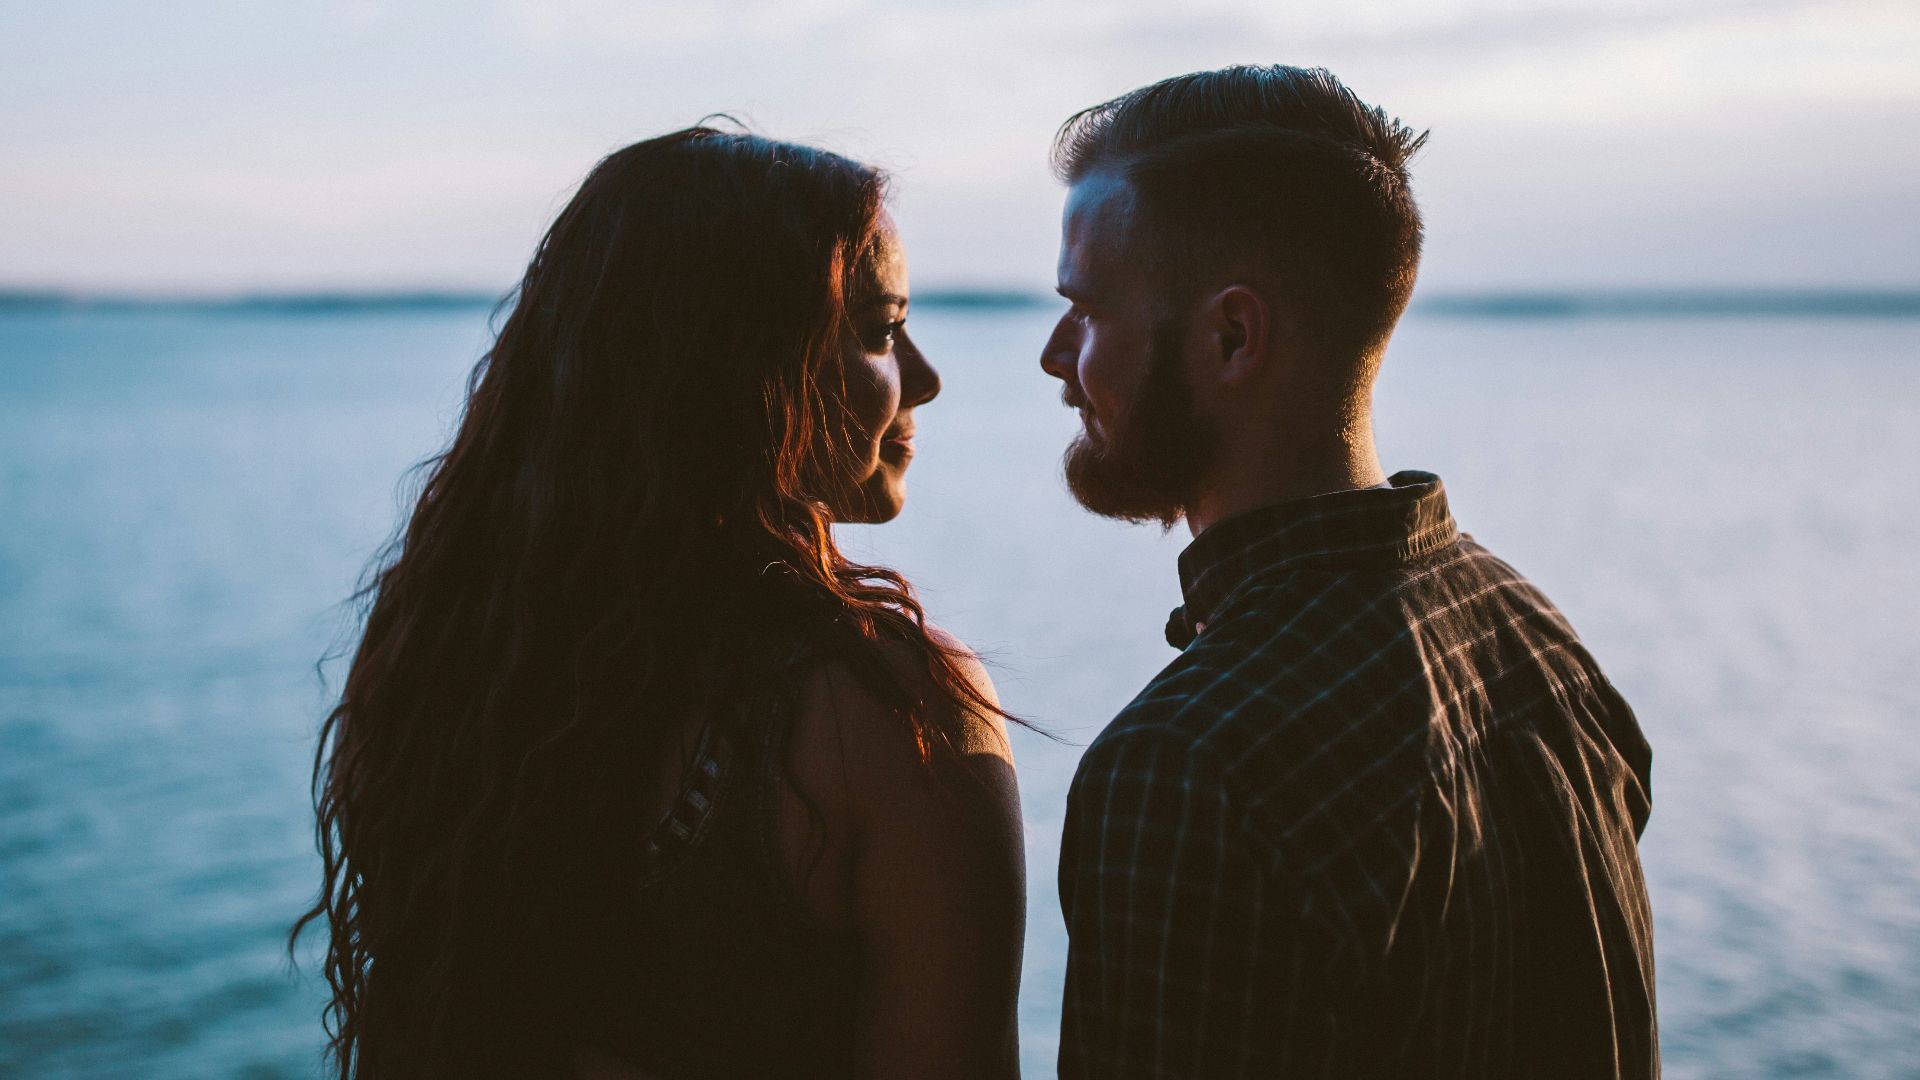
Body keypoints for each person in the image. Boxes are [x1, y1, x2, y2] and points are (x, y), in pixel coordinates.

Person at [294, 128, 1025, 1080]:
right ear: (749, 362)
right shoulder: (899, 717)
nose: (923, 378)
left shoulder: (441, 664)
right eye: (883, 330)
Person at [1042, 66, 1658, 1078]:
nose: (1056, 356)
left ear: (1232, 337)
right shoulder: (1536, 638)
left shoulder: (1190, 765)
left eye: (1088, 310)